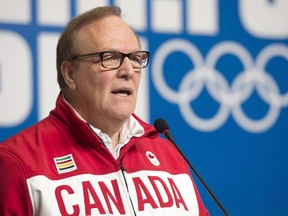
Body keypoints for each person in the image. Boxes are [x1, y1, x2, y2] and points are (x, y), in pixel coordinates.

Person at [0, 6, 209, 216]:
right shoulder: (18, 162)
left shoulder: (168, 155)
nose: (128, 71)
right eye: (109, 57)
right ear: (70, 74)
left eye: (135, 58)